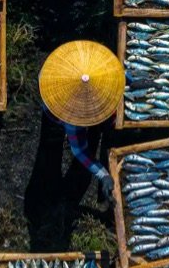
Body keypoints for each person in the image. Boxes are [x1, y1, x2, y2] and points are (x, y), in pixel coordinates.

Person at [38, 40, 124, 202]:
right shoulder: (70, 119)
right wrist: (103, 175)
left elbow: (114, 74)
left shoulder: (86, 63)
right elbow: (79, 151)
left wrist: (131, 82)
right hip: (54, 109)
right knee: (52, 140)